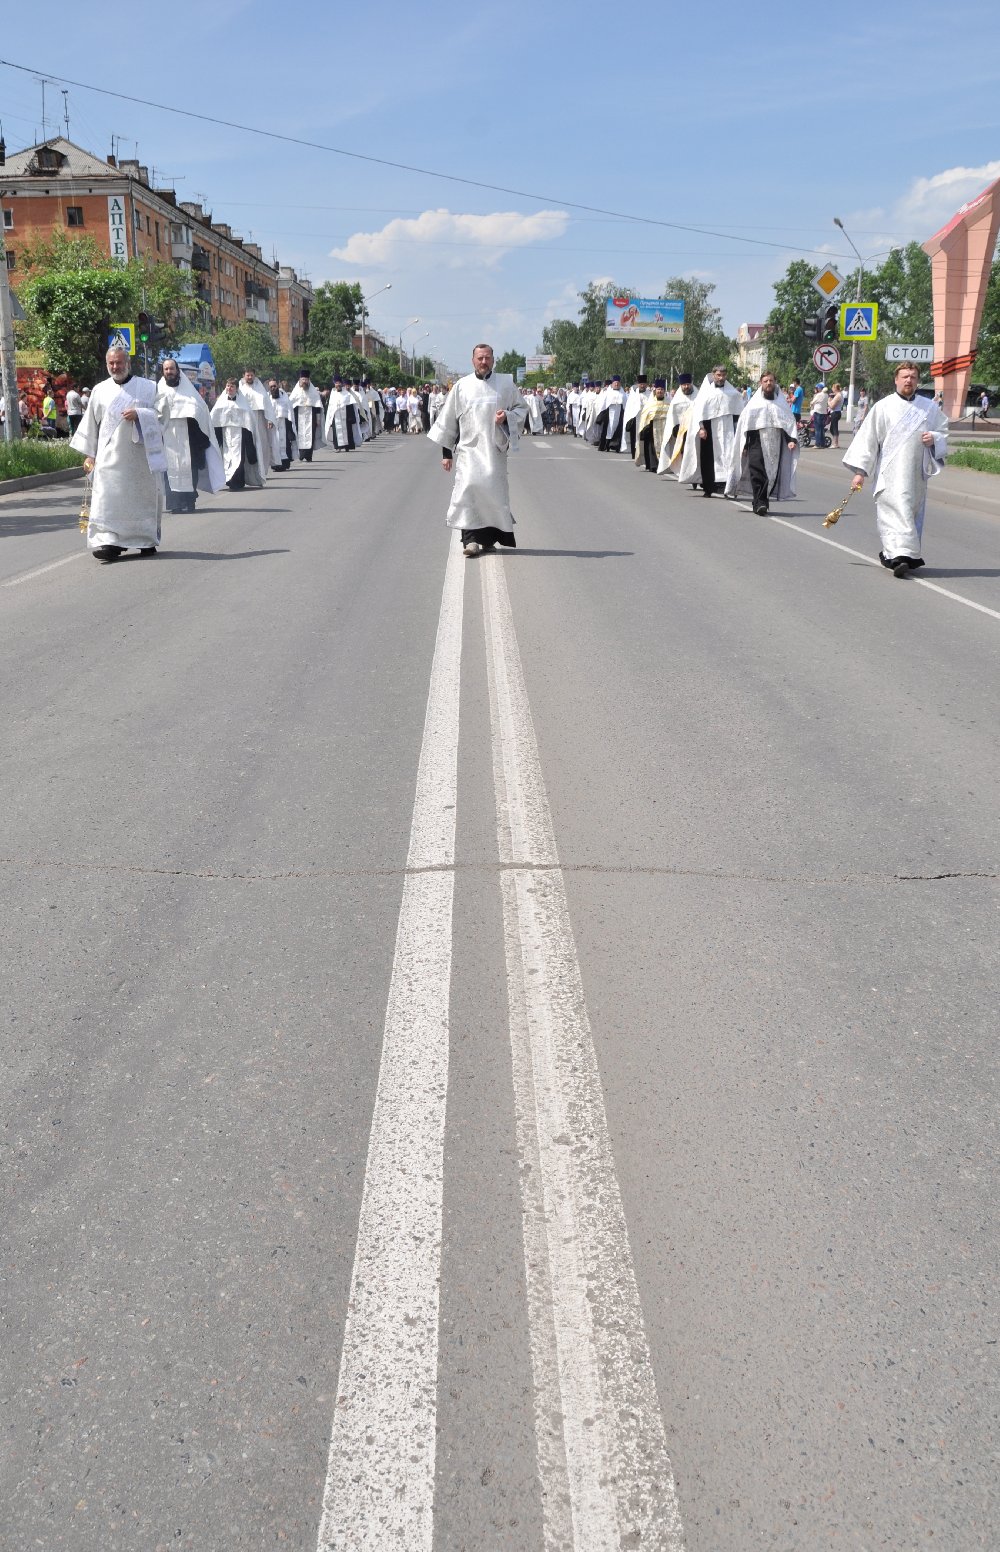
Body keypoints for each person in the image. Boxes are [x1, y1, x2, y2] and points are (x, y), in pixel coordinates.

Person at [842, 361, 949, 576]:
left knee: (909, 513)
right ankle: (899, 557)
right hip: (889, 472)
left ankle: (895, 555)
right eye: (905, 376)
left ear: (917, 381)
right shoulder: (883, 407)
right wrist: (860, 472)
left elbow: (942, 431)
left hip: (915, 474)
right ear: (896, 379)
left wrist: (934, 438)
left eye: (913, 377)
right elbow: (868, 439)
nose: (909, 380)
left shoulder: (928, 407)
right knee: (895, 511)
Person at [427, 342, 528, 557]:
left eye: (487, 358)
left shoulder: (506, 383)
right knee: (468, 491)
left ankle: (488, 540)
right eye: (480, 358)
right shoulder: (461, 386)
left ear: (493, 360)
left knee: (492, 494)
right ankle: (470, 540)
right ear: (473, 360)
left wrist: (506, 417)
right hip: (469, 451)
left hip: (494, 450)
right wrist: (446, 454)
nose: (484, 362)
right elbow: (448, 421)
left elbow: (521, 409)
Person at [70, 345, 168, 562]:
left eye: (119, 362)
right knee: (107, 499)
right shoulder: (99, 390)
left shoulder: (148, 387)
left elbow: (163, 415)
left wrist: (140, 414)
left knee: (140, 499)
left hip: (140, 459)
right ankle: (109, 542)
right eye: (111, 363)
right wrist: (90, 454)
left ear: (128, 363)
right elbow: (91, 424)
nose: (115, 367)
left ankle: (145, 540)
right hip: (109, 458)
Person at [725, 371, 799, 514]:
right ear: (761, 383)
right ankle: (761, 503)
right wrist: (744, 445)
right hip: (756, 441)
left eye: (771, 380)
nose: (768, 383)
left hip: (774, 442)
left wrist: (791, 440)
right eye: (765, 381)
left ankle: (759, 501)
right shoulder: (754, 404)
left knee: (770, 474)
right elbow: (746, 424)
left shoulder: (781, 404)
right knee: (757, 470)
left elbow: (787, 423)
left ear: (775, 382)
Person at [157, 357, 224, 512]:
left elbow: (201, 411)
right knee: (170, 471)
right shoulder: (158, 392)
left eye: (171, 368)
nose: (169, 371)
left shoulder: (189, 392)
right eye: (166, 369)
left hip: (189, 439)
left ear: (177, 370)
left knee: (190, 469)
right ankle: (175, 504)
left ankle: (189, 501)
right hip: (167, 440)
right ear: (163, 372)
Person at [678, 366, 744, 495]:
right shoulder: (705, 393)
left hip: (727, 430)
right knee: (708, 458)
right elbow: (698, 412)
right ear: (713, 375)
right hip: (709, 429)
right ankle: (708, 487)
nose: (721, 378)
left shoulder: (733, 394)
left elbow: (739, 413)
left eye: (723, 375)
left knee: (728, 456)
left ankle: (726, 486)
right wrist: (701, 428)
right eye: (718, 375)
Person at [211, 377, 261, 490]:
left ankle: (238, 481)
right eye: (228, 386)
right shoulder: (221, 403)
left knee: (239, 458)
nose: (229, 388)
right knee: (227, 457)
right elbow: (214, 419)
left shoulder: (243, 404)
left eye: (232, 386)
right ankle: (229, 480)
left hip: (240, 435)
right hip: (226, 434)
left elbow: (248, 421)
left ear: (237, 388)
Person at [237, 368, 274, 481]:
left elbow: (267, 405)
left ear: (254, 376)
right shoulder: (240, 388)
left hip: (259, 419)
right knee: (246, 446)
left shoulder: (260, 388)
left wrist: (269, 419)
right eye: (247, 375)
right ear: (244, 376)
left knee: (261, 445)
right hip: (244, 420)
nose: (249, 377)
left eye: (251, 375)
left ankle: (261, 471)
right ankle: (247, 473)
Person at [657, 373, 695, 476]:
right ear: (681, 386)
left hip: (694, 429)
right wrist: (675, 429)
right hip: (680, 431)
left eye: (688, 384)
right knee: (683, 451)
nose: (686, 386)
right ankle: (684, 471)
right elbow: (672, 417)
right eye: (684, 385)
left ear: (691, 384)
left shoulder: (698, 397)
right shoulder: (676, 400)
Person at [289, 368, 324, 461]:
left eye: (306, 379)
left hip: (311, 417)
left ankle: (308, 456)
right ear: (300, 380)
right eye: (303, 379)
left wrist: (318, 419)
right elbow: (291, 404)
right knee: (299, 435)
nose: (304, 381)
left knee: (310, 435)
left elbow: (317, 406)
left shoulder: (313, 392)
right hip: (298, 417)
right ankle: (301, 454)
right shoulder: (296, 391)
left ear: (309, 380)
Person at [635, 379, 669, 471]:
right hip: (652, 428)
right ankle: (653, 465)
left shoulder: (669, 402)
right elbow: (644, 416)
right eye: (658, 389)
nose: (660, 391)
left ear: (664, 391)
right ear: (655, 391)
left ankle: (663, 464)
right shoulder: (650, 403)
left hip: (665, 428)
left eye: (662, 389)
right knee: (652, 446)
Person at [325, 375, 362, 450]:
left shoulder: (346, 393)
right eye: (336, 383)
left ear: (341, 384)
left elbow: (351, 404)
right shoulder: (332, 393)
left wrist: (351, 417)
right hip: (336, 417)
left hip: (346, 416)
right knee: (336, 432)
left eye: (339, 383)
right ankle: (337, 447)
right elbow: (330, 407)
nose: (338, 384)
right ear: (334, 384)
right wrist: (330, 417)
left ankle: (347, 446)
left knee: (347, 431)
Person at [268, 378, 296, 469]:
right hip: (273, 424)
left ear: (278, 386)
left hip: (284, 423)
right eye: (271, 387)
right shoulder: (267, 397)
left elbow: (289, 410)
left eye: (274, 386)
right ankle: (276, 464)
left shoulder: (284, 396)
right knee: (274, 444)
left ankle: (285, 462)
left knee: (285, 442)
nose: (273, 388)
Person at [810, 382, 830, 448]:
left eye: (817, 388)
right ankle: (822, 444)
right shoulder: (826, 395)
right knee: (821, 429)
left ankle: (817, 444)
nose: (817, 389)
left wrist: (811, 403)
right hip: (824, 413)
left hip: (818, 412)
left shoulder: (819, 395)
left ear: (819, 388)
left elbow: (813, 402)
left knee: (817, 429)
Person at [828, 382, 844, 448]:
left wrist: (828, 401)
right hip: (835, 412)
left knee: (834, 428)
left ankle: (835, 444)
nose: (832, 389)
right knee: (832, 428)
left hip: (835, 412)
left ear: (835, 388)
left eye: (832, 387)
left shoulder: (838, 396)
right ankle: (835, 442)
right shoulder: (838, 395)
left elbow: (832, 406)